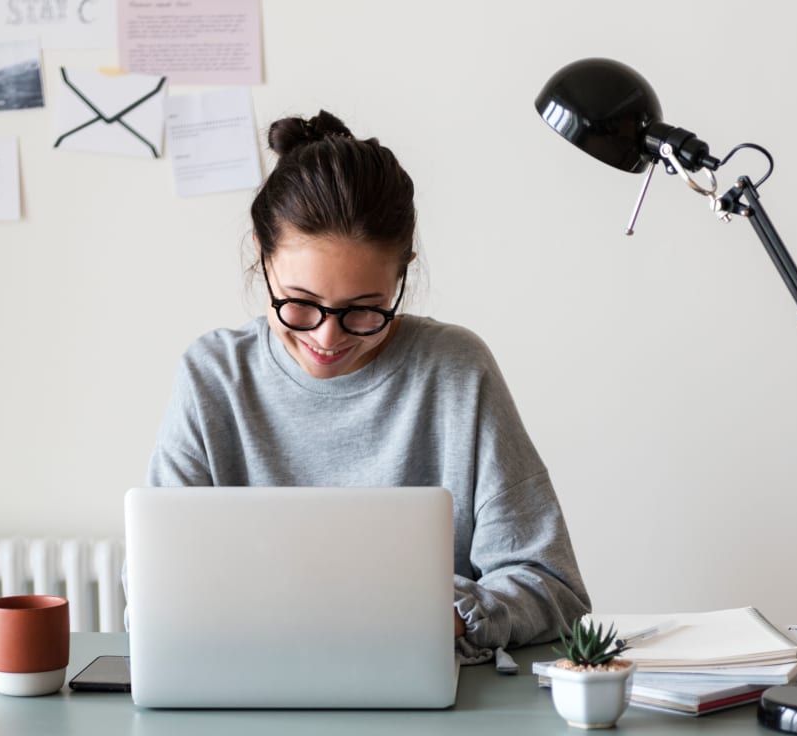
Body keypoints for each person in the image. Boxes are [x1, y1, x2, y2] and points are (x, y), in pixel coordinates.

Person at [145, 109, 591, 653]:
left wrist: (443, 616)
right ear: (262, 262)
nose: (328, 338)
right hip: (245, 680)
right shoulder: (213, 376)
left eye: (364, 310)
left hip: (423, 694)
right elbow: (154, 582)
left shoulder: (456, 371)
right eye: (300, 304)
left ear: (400, 278)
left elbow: (553, 587)